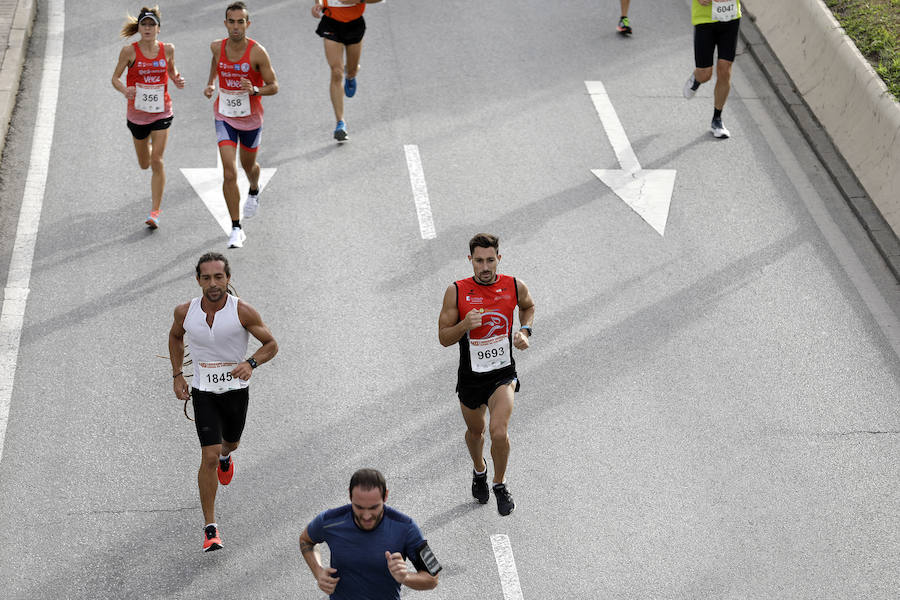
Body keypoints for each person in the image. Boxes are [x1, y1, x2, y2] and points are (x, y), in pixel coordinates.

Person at [168, 252, 278, 552]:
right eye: (207, 278)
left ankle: (228, 456)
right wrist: (178, 375)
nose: (213, 283)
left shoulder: (242, 311)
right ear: (198, 280)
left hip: (235, 392)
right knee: (209, 456)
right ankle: (210, 528)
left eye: (219, 277)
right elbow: (176, 337)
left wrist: (251, 363)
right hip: (203, 392)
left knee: (230, 445)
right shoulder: (185, 312)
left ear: (228, 278)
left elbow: (271, 344)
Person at [438, 233, 535, 516]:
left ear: (498, 259)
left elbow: (528, 306)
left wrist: (525, 330)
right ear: (470, 261)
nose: (484, 267)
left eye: (490, 260)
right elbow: (444, 338)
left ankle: (499, 484)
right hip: (470, 377)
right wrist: (464, 325)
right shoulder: (456, 291)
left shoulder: (514, 286)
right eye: (478, 261)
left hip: (502, 374)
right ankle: (480, 470)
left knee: (499, 431)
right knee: (476, 431)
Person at [203, 2, 279, 248]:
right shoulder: (217, 47)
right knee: (228, 171)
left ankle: (254, 188)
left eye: (240, 22)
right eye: (231, 21)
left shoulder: (257, 52)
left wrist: (256, 89)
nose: (236, 27)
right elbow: (216, 63)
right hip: (224, 115)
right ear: (225, 23)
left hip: (251, 119)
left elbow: (274, 85)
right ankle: (236, 227)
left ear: (248, 24)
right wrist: (211, 83)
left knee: (249, 166)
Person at [298, 469, 441, 599]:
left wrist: (405, 577)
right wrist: (318, 572)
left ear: (385, 496)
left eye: (374, 508)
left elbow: (433, 578)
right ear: (350, 495)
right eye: (359, 507)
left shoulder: (406, 527)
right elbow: (306, 540)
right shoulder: (330, 520)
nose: (366, 516)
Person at [111, 6, 185, 229]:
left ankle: (155, 212)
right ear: (139, 28)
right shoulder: (129, 52)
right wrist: (125, 90)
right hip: (137, 115)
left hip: (162, 111)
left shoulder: (168, 49)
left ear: (159, 29)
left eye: (152, 25)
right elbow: (114, 78)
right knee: (145, 163)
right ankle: (149, 151)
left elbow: (172, 71)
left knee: (157, 161)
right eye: (144, 24)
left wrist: (177, 79)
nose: (148, 28)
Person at [311, 0, 383, 142]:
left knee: (350, 70)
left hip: (354, 24)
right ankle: (340, 123)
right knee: (336, 72)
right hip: (331, 23)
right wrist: (318, 4)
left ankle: (351, 75)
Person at [682, 0, 742, 138]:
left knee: (725, 70)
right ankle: (697, 78)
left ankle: (717, 119)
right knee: (705, 74)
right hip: (705, 19)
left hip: (731, 17)